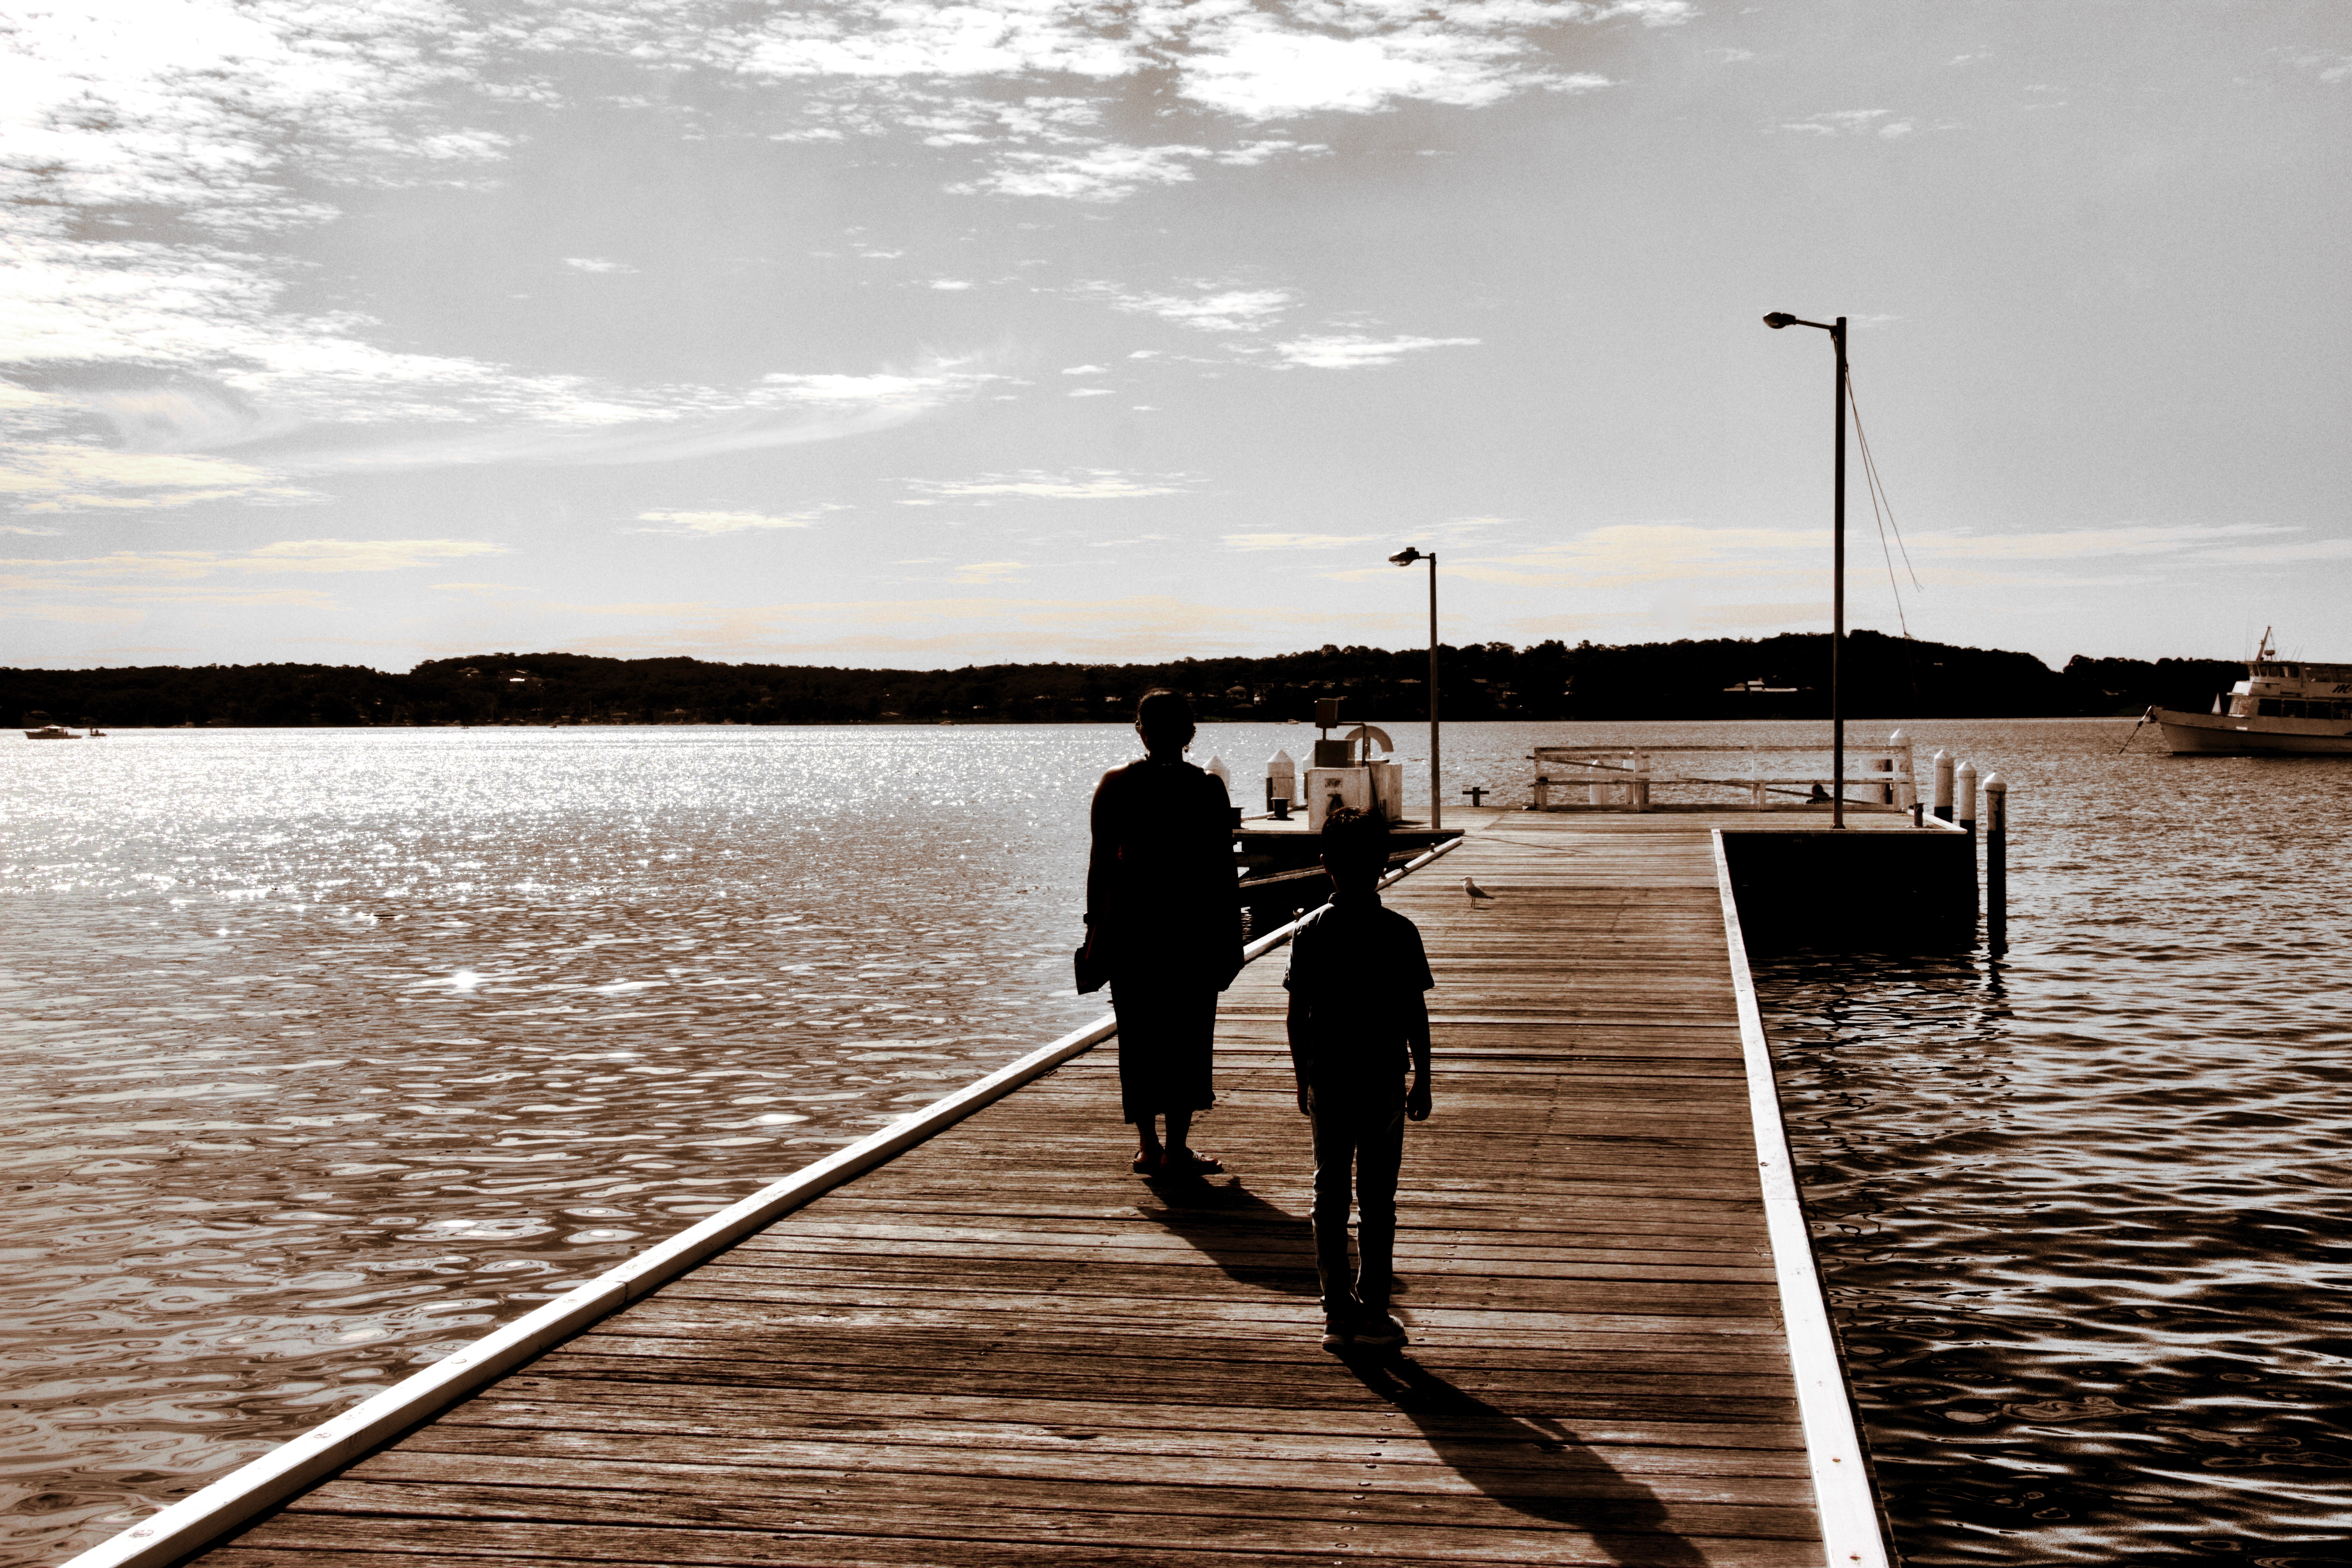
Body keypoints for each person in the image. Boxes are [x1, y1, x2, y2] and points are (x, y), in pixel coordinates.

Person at [1284, 806, 1434, 1352]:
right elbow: (1414, 1012)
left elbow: (1296, 1016)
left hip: (1330, 1078)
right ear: (1384, 864)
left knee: (1329, 1193)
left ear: (1325, 865)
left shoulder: (1309, 933)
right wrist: (1425, 1078)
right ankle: (1373, 1307)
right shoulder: (1400, 932)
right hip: (1384, 1080)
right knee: (1378, 1197)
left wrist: (1303, 1079)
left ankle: (1335, 1310)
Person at [1084, 689, 1244, 1176]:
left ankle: (1149, 1146)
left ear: (1141, 730)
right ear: (1190, 735)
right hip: (1191, 931)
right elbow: (1222, 873)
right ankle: (1176, 1147)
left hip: (1132, 931)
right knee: (1188, 1038)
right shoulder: (1208, 789)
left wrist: (1095, 931)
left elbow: (1099, 867)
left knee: (1139, 1038)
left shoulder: (1114, 785)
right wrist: (1231, 939)